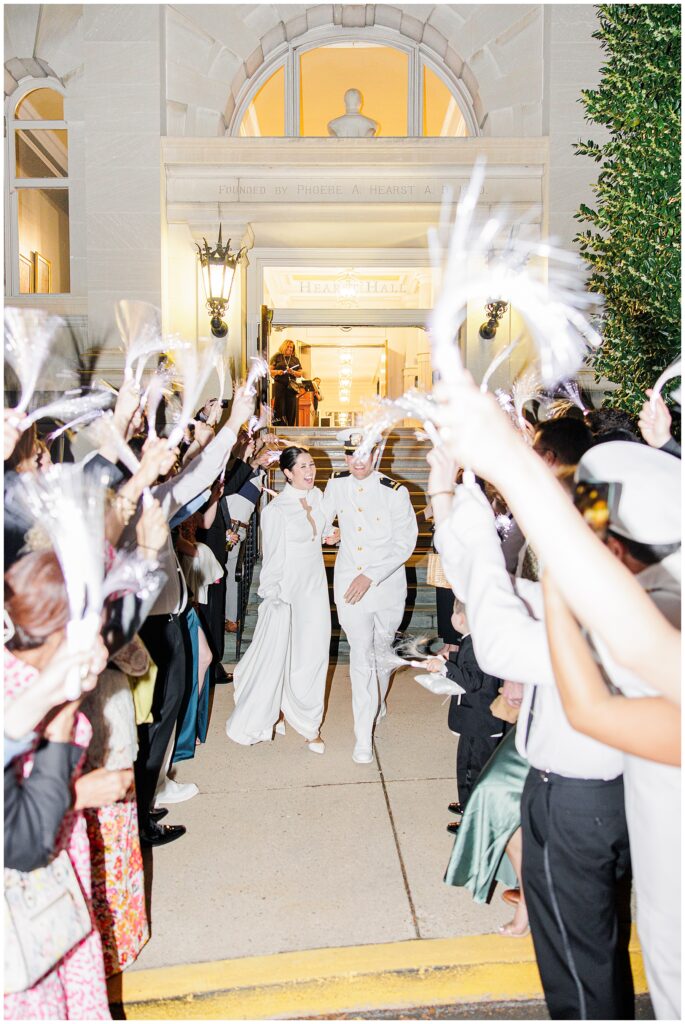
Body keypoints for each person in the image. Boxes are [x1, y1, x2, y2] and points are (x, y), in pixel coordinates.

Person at [429, 444, 635, 1020]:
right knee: (568, 945)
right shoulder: (586, 595)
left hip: (581, 797)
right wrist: (455, 495)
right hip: (556, 786)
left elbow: (496, 619)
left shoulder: (599, 617)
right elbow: (489, 582)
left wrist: (454, 494)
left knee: (580, 960)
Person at [226, 447, 332, 751]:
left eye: (311, 465)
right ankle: (285, 714)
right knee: (284, 653)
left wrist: (331, 534)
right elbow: (273, 559)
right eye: (302, 467)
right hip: (288, 590)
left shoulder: (318, 497)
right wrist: (270, 595)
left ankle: (308, 719)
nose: (310, 471)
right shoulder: (276, 511)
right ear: (287, 473)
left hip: (315, 588)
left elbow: (323, 530)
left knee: (314, 652)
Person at [322, 431, 418, 763]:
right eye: (351, 455)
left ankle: (377, 698)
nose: (357, 462)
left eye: (363, 454)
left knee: (381, 652)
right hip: (349, 585)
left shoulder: (395, 492)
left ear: (376, 453)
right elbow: (321, 519)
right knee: (361, 655)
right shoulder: (336, 484)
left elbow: (404, 543)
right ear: (345, 457)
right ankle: (363, 737)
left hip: (387, 587)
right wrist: (329, 532)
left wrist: (372, 574)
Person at [423, 599, 505, 831]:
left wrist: (445, 669)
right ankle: (468, 804)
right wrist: (450, 662)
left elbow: (472, 680)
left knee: (471, 769)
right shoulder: (478, 640)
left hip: (478, 722)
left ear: (459, 619)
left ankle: (472, 819)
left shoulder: (473, 644)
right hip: (480, 721)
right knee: (468, 764)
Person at [270, 340, 302, 426]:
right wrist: (277, 372)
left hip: (291, 387)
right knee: (280, 406)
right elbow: (270, 370)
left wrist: (293, 372)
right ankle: (279, 427)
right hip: (279, 385)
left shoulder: (295, 359)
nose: (290, 349)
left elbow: (300, 373)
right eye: (288, 346)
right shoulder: (277, 357)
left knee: (291, 407)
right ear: (284, 346)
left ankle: (290, 427)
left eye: (291, 347)